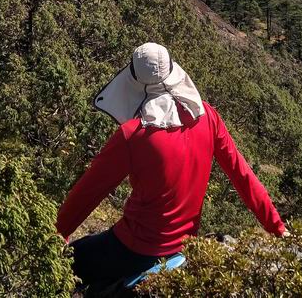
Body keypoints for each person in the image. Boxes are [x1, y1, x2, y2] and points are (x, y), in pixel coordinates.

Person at [56, 42, 286, 292]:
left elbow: (88, 193)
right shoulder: (207, 116)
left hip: (134, 248)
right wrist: (277, 228)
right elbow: (243, 176)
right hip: (185, 245)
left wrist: (56, 236)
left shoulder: (132, 135)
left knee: (67, 263)